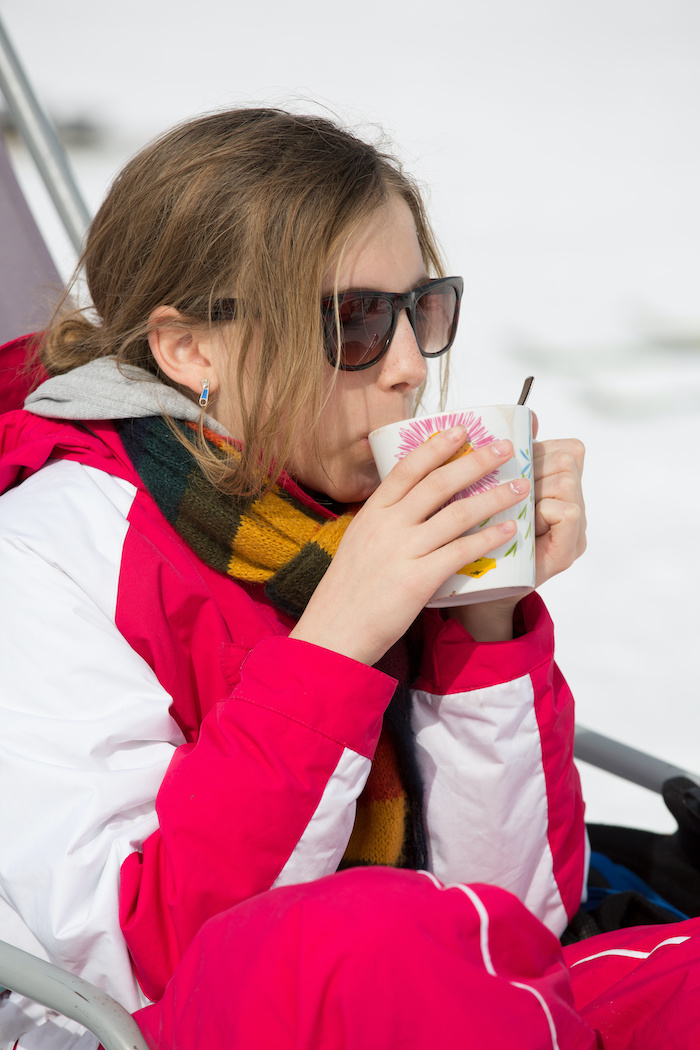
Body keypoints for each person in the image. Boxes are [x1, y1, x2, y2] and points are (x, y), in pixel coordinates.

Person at [0, 107, 698, 1050]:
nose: (411, 367)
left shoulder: (341, 512)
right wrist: (336, 643)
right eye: (357, 320)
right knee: (376, 937)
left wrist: (482, 620)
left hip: (439, 1006)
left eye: (424, 310)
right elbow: (135, 964)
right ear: (189, 350)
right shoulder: (51, 550)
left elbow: (515, 922)